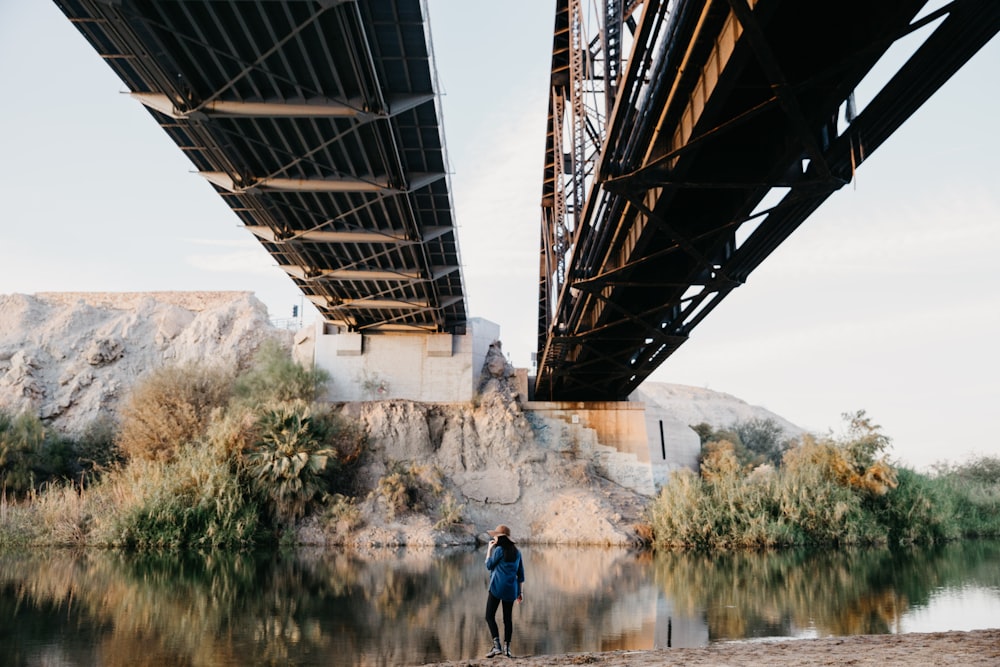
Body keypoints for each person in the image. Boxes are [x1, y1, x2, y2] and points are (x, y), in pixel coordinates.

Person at [483, 524, 524, 658]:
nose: (494, 538)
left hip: (496, 587)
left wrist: (489, 549)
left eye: (496, 536)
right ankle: (507, 649)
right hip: (511, 590)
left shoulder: (499, 550)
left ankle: (497, 647)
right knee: (508, 619)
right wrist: (520, 593)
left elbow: (489, 565)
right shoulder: (517, 553)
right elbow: (521, 575)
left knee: (489, 616)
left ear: (500, 538)